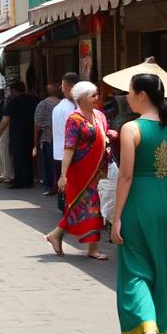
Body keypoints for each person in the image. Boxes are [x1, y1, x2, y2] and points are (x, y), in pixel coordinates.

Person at [109, 63, 167, 334]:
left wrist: (116, 216)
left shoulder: (130, 128)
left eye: (129, 92)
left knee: (136, 269)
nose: (127, 97)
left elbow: (126, 176)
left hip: (139, 202)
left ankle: (148, 325)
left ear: (142, 95)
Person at [45, 81, 110, 260]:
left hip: (98, 171)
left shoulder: (99, 115)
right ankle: (92, 249)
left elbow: (104, 135)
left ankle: (56, 234)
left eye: (97, 94)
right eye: (93, 95)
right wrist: (63, 175)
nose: (97, 98)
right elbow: (69, 148)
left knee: (87, 207)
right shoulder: (74, 119)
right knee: (88, 207)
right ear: (81, 99)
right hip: (79, 171)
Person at [51, 72, 79, 210]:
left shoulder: (58, 107)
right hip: (67, 152)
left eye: (63, 86)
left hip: (58, 151)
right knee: (67, 182)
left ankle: (63, 208)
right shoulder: (71, 109)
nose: (62, 89)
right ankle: (67, 209)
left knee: (62, 181)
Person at [3, 82, 39, 190]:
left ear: (14, 90)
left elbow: (7, 117)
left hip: (17, 133)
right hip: (30, 132)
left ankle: (19, 181)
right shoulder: (34, 100)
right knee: (28, 157)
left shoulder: (13, 102)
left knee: (18, 157)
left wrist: (0, 130)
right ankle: (29, 181)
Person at [34, 84, 61, 195]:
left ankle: (50, 186)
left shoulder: (43, 104)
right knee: (58, 165)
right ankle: (57, 185)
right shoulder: (63, 103)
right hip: (60, 138)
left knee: (48, 164)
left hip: (47, 138)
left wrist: (35, 142)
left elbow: (37, 124)